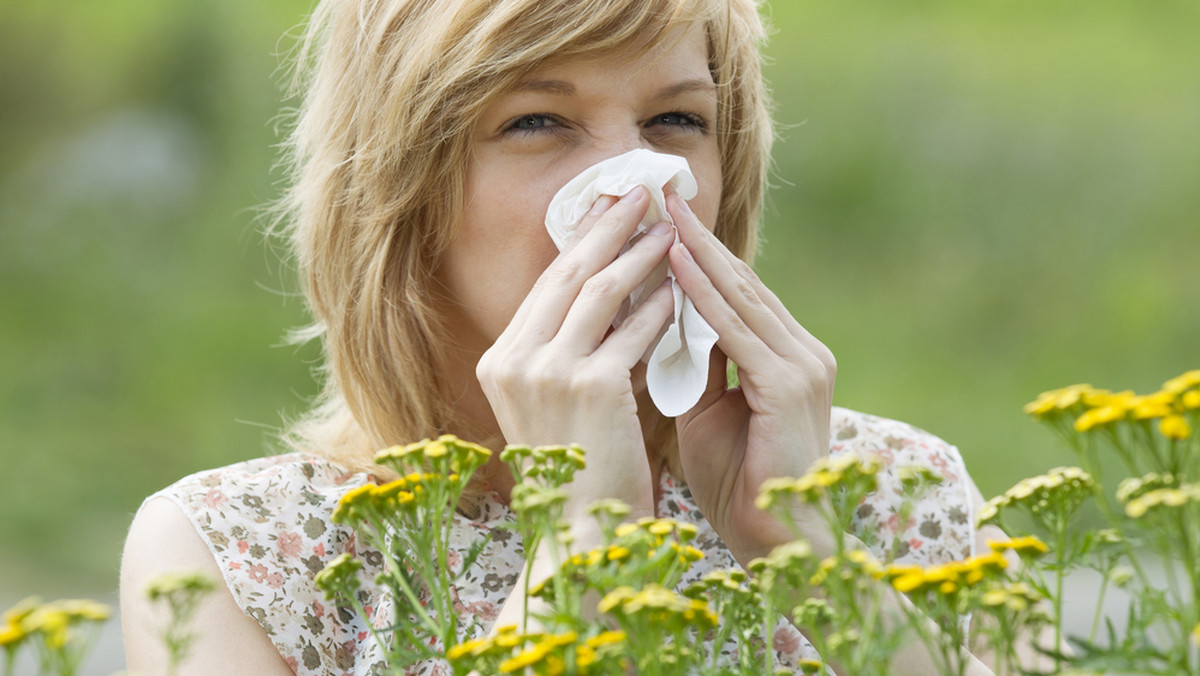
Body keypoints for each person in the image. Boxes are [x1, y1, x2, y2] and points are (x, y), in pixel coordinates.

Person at [120, 0, 1009, 673]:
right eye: (537, 121)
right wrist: (581, 543)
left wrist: (813, 560)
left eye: (676, 122)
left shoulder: (899, 494)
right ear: (402, 193)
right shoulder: (239, 554)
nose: (638, 188)